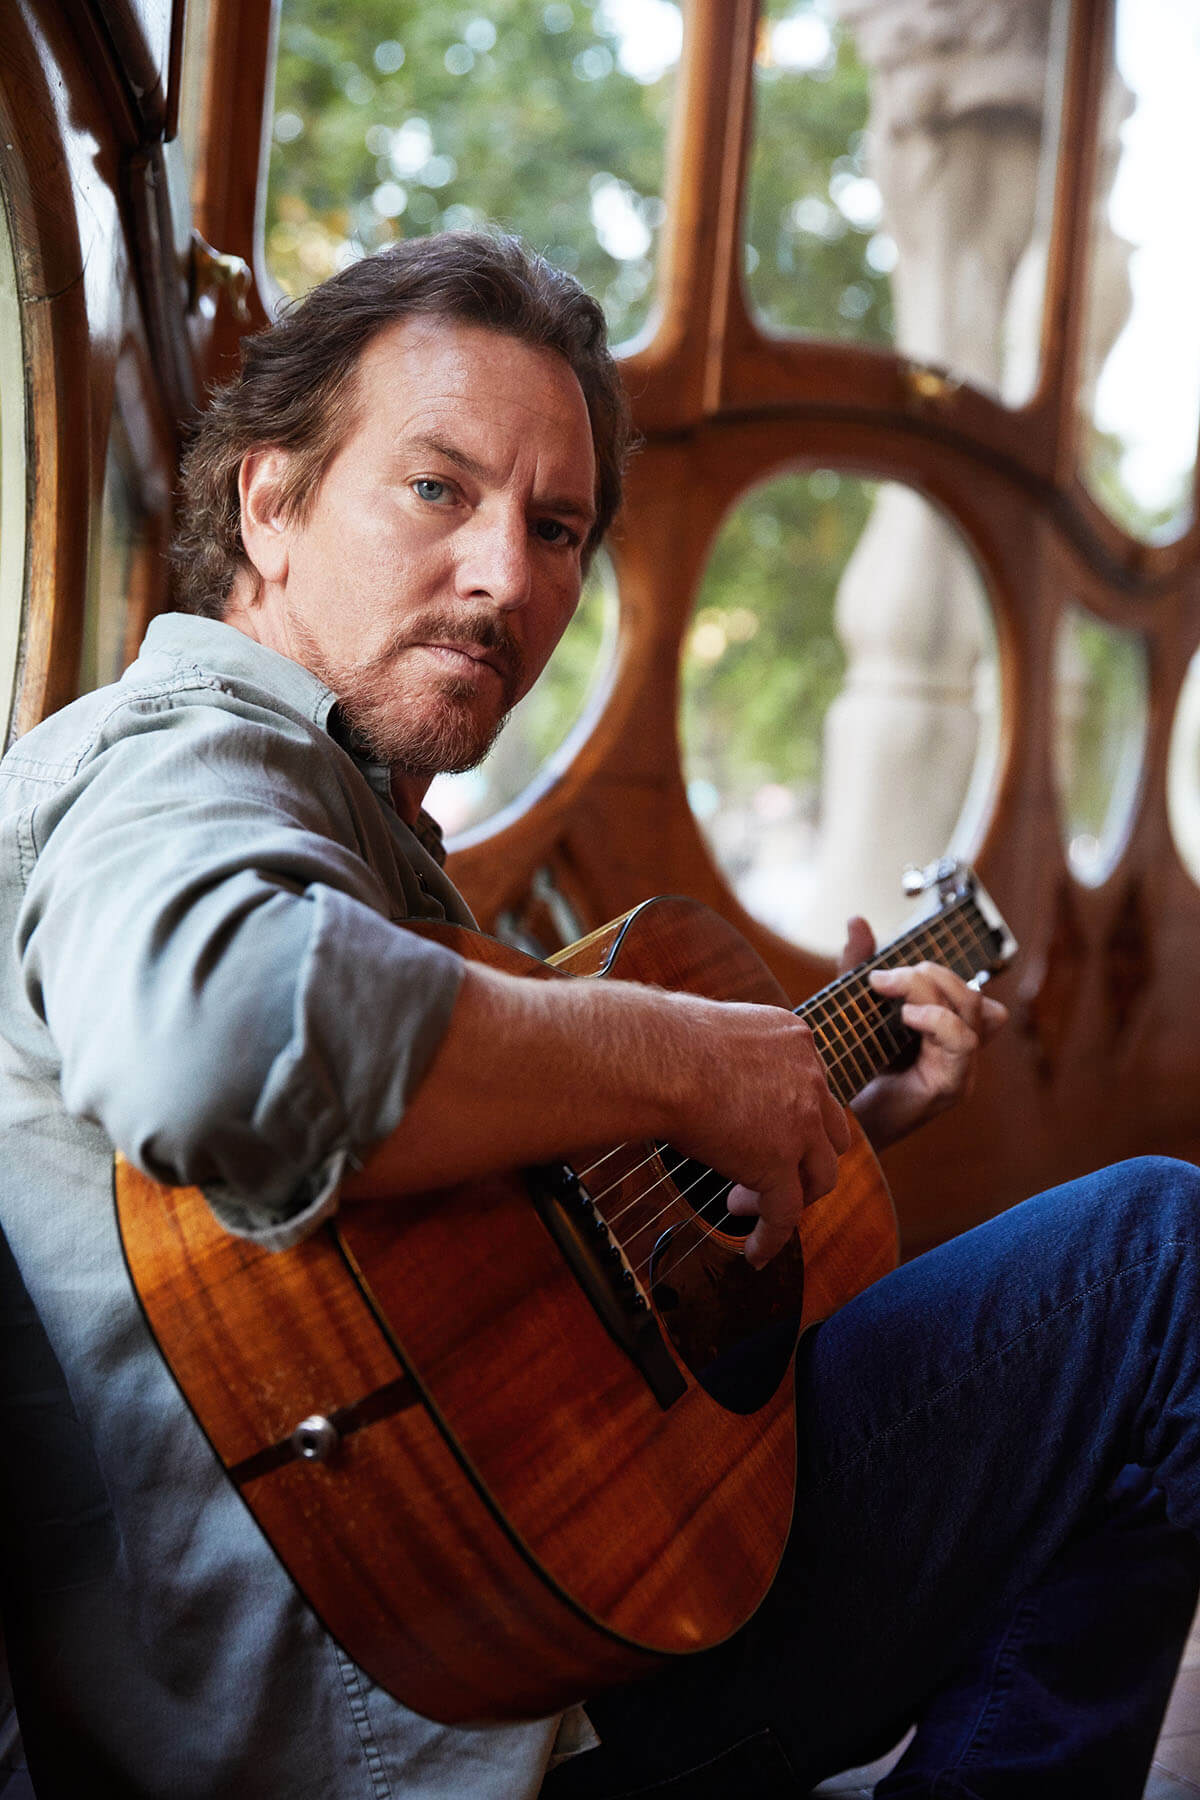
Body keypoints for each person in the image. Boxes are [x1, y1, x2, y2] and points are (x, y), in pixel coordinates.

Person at [0, 230, 1195, 1800]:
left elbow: (500, 1287)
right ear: (269, 503)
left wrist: (816, 1113)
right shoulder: (181, 761)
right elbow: (221, 1037)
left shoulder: (366, 837)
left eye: (557, 526)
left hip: (528, 1625)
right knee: (1163, 1266)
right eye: (438, 489)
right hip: (423, 1724)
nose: (508, 576)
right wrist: (696, 1055)